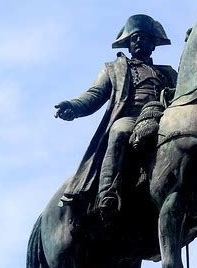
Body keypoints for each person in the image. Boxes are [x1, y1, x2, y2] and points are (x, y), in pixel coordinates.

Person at [55, 14, 177, 219]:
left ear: (153, 44)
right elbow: (94, 95)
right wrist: (73, 107)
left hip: (163, 118)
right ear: (128, 44)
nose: (139, 41)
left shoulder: (168, 73)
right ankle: (107, 193)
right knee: (120, 130)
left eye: (144, 37)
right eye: (135, 38)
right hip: (131, 118)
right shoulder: (115, 69)